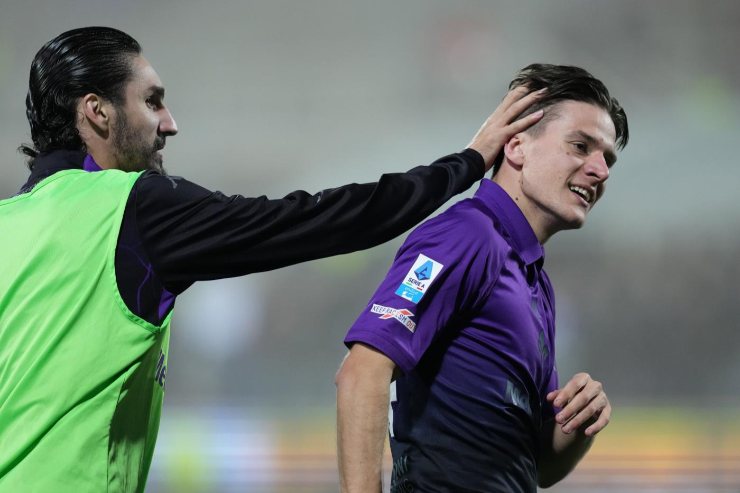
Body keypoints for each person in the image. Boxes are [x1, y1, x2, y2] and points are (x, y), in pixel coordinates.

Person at [0, 27, 546, 492]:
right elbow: (316, 220)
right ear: (97, 111)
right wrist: (466, 163)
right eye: (152, 101)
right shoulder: (133, 207)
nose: (169, 123)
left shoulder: (8, 223)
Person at [336, 63, 629, 492]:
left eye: (607, 159)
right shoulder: (467, 235)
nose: (600, 171)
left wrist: (577, 425)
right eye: (580, 146)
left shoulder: (535, 281)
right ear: (517, 146)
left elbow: (539, 469)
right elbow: (362, 372)